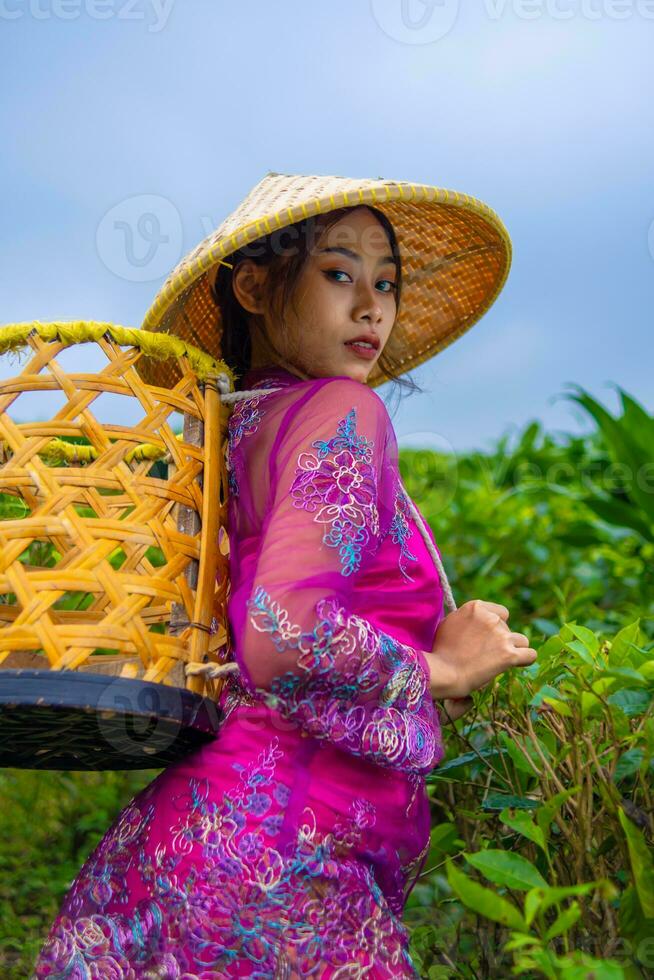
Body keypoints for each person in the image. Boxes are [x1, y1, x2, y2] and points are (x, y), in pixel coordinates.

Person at [32, 172, 538, 978]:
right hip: (284, 863)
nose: (371, 304)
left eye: (387, 282)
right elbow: (281, 634)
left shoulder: (232, 432)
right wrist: (443, 668)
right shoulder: (343, 411)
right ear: (257, 287)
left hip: (188, 844)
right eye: (339, 273)